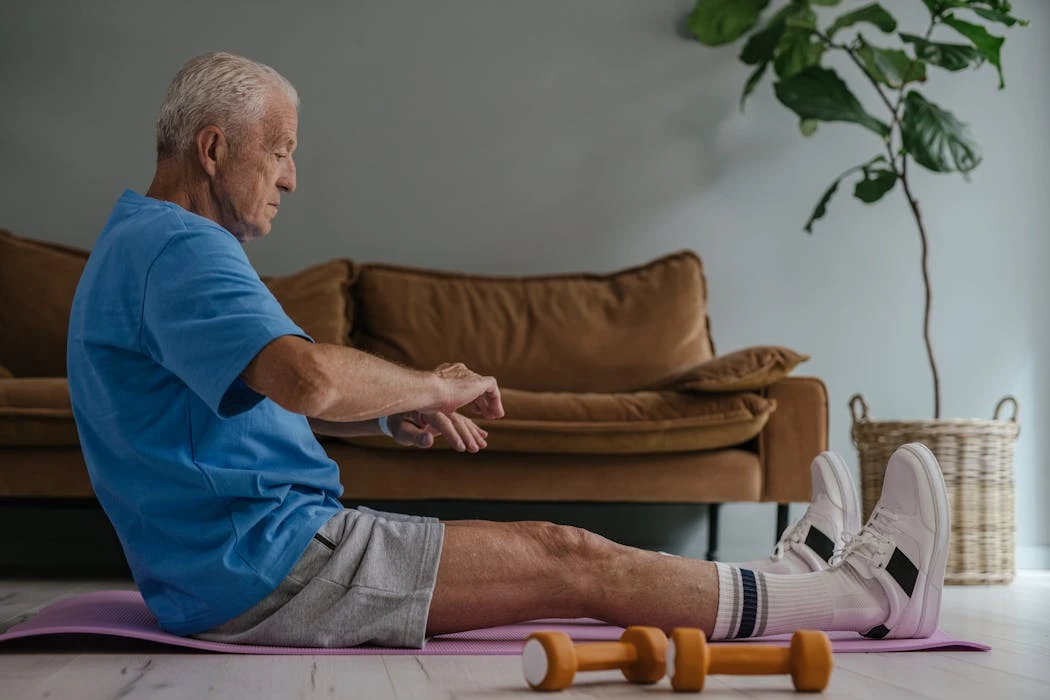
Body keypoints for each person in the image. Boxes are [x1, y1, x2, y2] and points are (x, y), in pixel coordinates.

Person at [67, 51, 950, 649]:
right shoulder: (180, 249)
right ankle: (869, 599)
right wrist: (429, 385)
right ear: (214, 149)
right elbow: (304, 376)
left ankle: (783, 577)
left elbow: (229, 416)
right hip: (272, 568)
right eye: (281, 151)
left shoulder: (139, 243)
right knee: (570, 557)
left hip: (239, 563)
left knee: (569, 556)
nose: (292, 176)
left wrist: (388, 413)